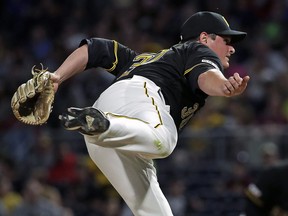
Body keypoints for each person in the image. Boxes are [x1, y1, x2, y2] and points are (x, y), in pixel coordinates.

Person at [49, 11, 250, 216]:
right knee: (165, 139)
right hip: (138, 100)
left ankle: (101, 125)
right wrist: (225, 86)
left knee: (154, 211)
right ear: (205, 37)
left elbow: (96, 49)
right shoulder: (196, 49)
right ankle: (105, 124)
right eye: (226, 40)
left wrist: (57, 77)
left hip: (109, 127)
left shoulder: (145, 59)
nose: (232, 48)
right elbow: (206, 76)